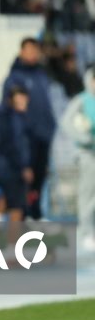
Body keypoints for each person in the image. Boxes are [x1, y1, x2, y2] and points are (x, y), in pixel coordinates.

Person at [2, 37, 56, 220]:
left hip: (43, 135)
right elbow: (11, 109)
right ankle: (24, 215)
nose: (33, 54)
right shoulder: (15, 77)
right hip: (25, 137)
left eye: (35, 50)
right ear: (21, 52)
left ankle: (36, 214)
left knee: (39, 178)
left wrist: (49, 127)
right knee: (25, 178)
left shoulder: (41, 74)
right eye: (29, 50)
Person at [59, 67, 95, 251]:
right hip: (88, 154)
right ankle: (87, 231)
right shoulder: (82, 100)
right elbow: (67, 122)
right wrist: (84, 138)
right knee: (88, 193)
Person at [0, 86, 33, 224]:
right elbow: (16, 146)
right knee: (17, 205)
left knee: (7, 196)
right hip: (9, 166)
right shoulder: (13, 118)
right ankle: (14, 237)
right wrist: (24, 167)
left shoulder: (3, 116)